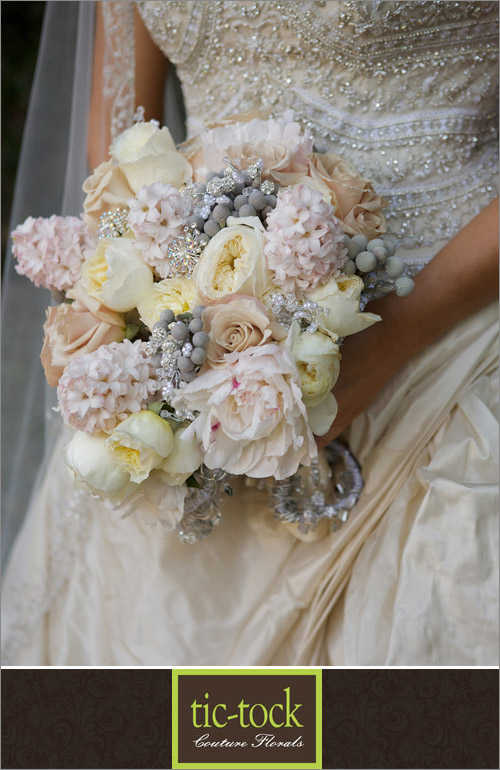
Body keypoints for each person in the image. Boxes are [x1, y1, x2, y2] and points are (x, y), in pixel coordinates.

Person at [2, 0, 498, 666]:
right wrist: (146, 314)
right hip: (193, 362)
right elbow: (120, 134)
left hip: (453, 347)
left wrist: (386, 348)